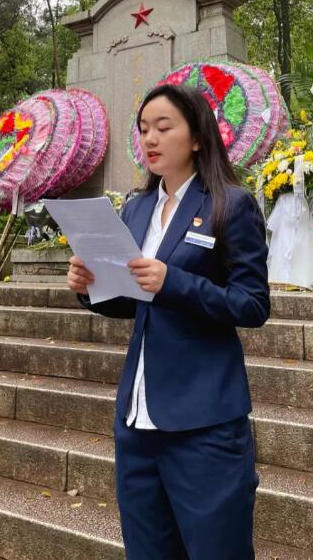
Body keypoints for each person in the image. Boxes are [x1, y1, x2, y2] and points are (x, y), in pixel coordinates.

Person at [67, 84, 270, 560]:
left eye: (163, 127)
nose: (150, 140)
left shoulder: (230, 204)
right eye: (142, 130)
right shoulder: (136, 208)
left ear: (197, 136)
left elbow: (252, 304)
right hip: (137, 424)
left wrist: (173, 282)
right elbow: (131, 300)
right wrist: (89, 287)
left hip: (204, 424)